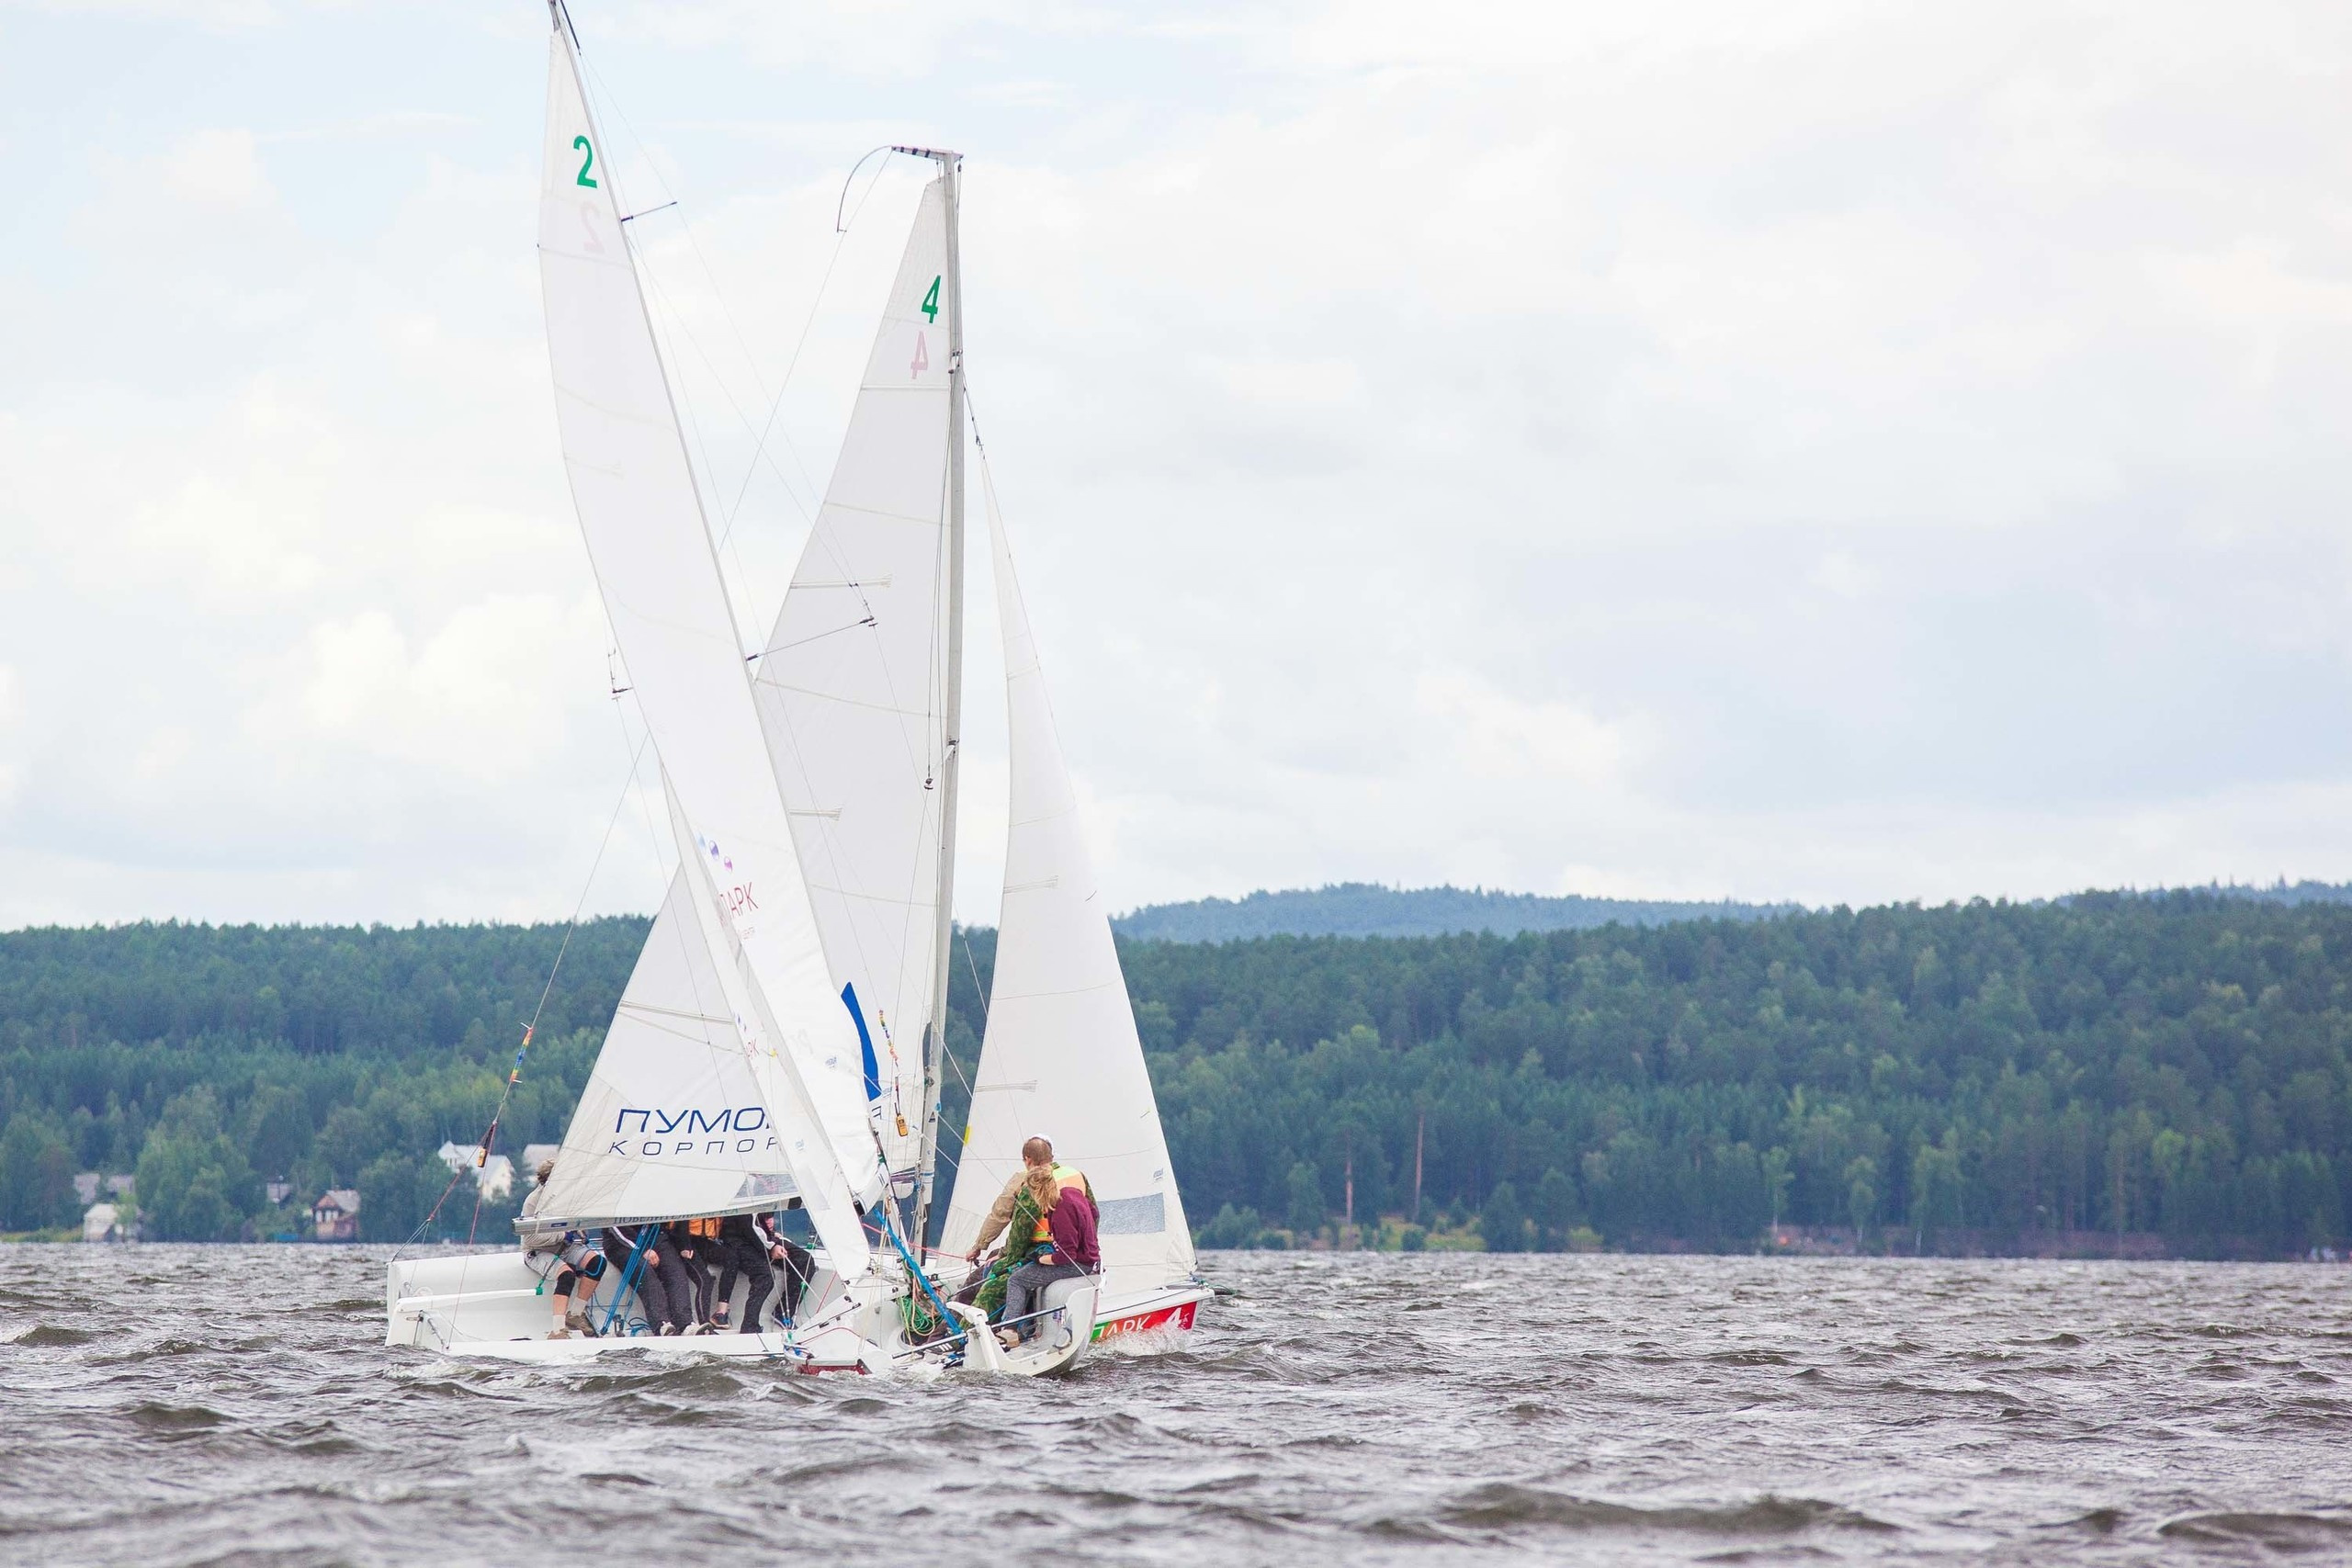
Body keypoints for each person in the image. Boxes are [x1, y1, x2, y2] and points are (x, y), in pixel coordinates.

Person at [999, 1158, 1100, 1349]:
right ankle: (1026, 1327)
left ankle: (1009, 1330)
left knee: (1017, 1280)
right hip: (1089, 1258)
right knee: (1029, 1274)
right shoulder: (1071, 1193)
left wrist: (1039, 1259)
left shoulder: (1060, 1210)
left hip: (1077, 1264)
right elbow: (1094, 1213)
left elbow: (1066, 1256)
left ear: (1037, 1191)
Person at [518, 1157, 605, 1338]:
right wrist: (563, 1235)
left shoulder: (568, 1197)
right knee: (566, 1275)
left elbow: (575, 1220)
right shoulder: (532, 1202)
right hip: (538, 1251)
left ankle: (575, 1314)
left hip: (566, 1247)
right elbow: (531, 1237)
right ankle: (557, 1330)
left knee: (597, 1263)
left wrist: (579, 1231)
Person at [601, 1221, 693, 1335]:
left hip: (653, 1235)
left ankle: (685, 1322)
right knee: (645, 1272)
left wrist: (684, 1245)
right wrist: (644, 1250)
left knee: (675, 1270)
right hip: (620, 1242)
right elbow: (615, 1226)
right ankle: (661, 1324)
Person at [708, 1212, 772, 1332]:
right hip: (735, 1242)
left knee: (765, 1274)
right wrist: (770, 1247)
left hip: (747, 1241)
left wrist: (771, 1240)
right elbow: (748, 1227)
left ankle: (748, 1322)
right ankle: (746, 1323)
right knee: (764, 1274)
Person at [752, 1210, 817, 1325]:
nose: (769, 1221)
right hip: (752, 1240)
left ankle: (785, 1312)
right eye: (766, 1218)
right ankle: (783, 1313)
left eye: (770, 1217)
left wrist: (771, 1236)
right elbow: (750, 1225)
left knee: (805, 1262)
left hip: (765, 1238)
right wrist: (772, 1244)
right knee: (804, 1260)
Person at [668, 1216, 719, 1327]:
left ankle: (708, 1320)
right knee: (705, 1281)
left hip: (703, 1241)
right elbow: (681, 1219)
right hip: (686, 1242)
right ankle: (704, 1323)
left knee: (730, 1259)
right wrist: (684, 1245)